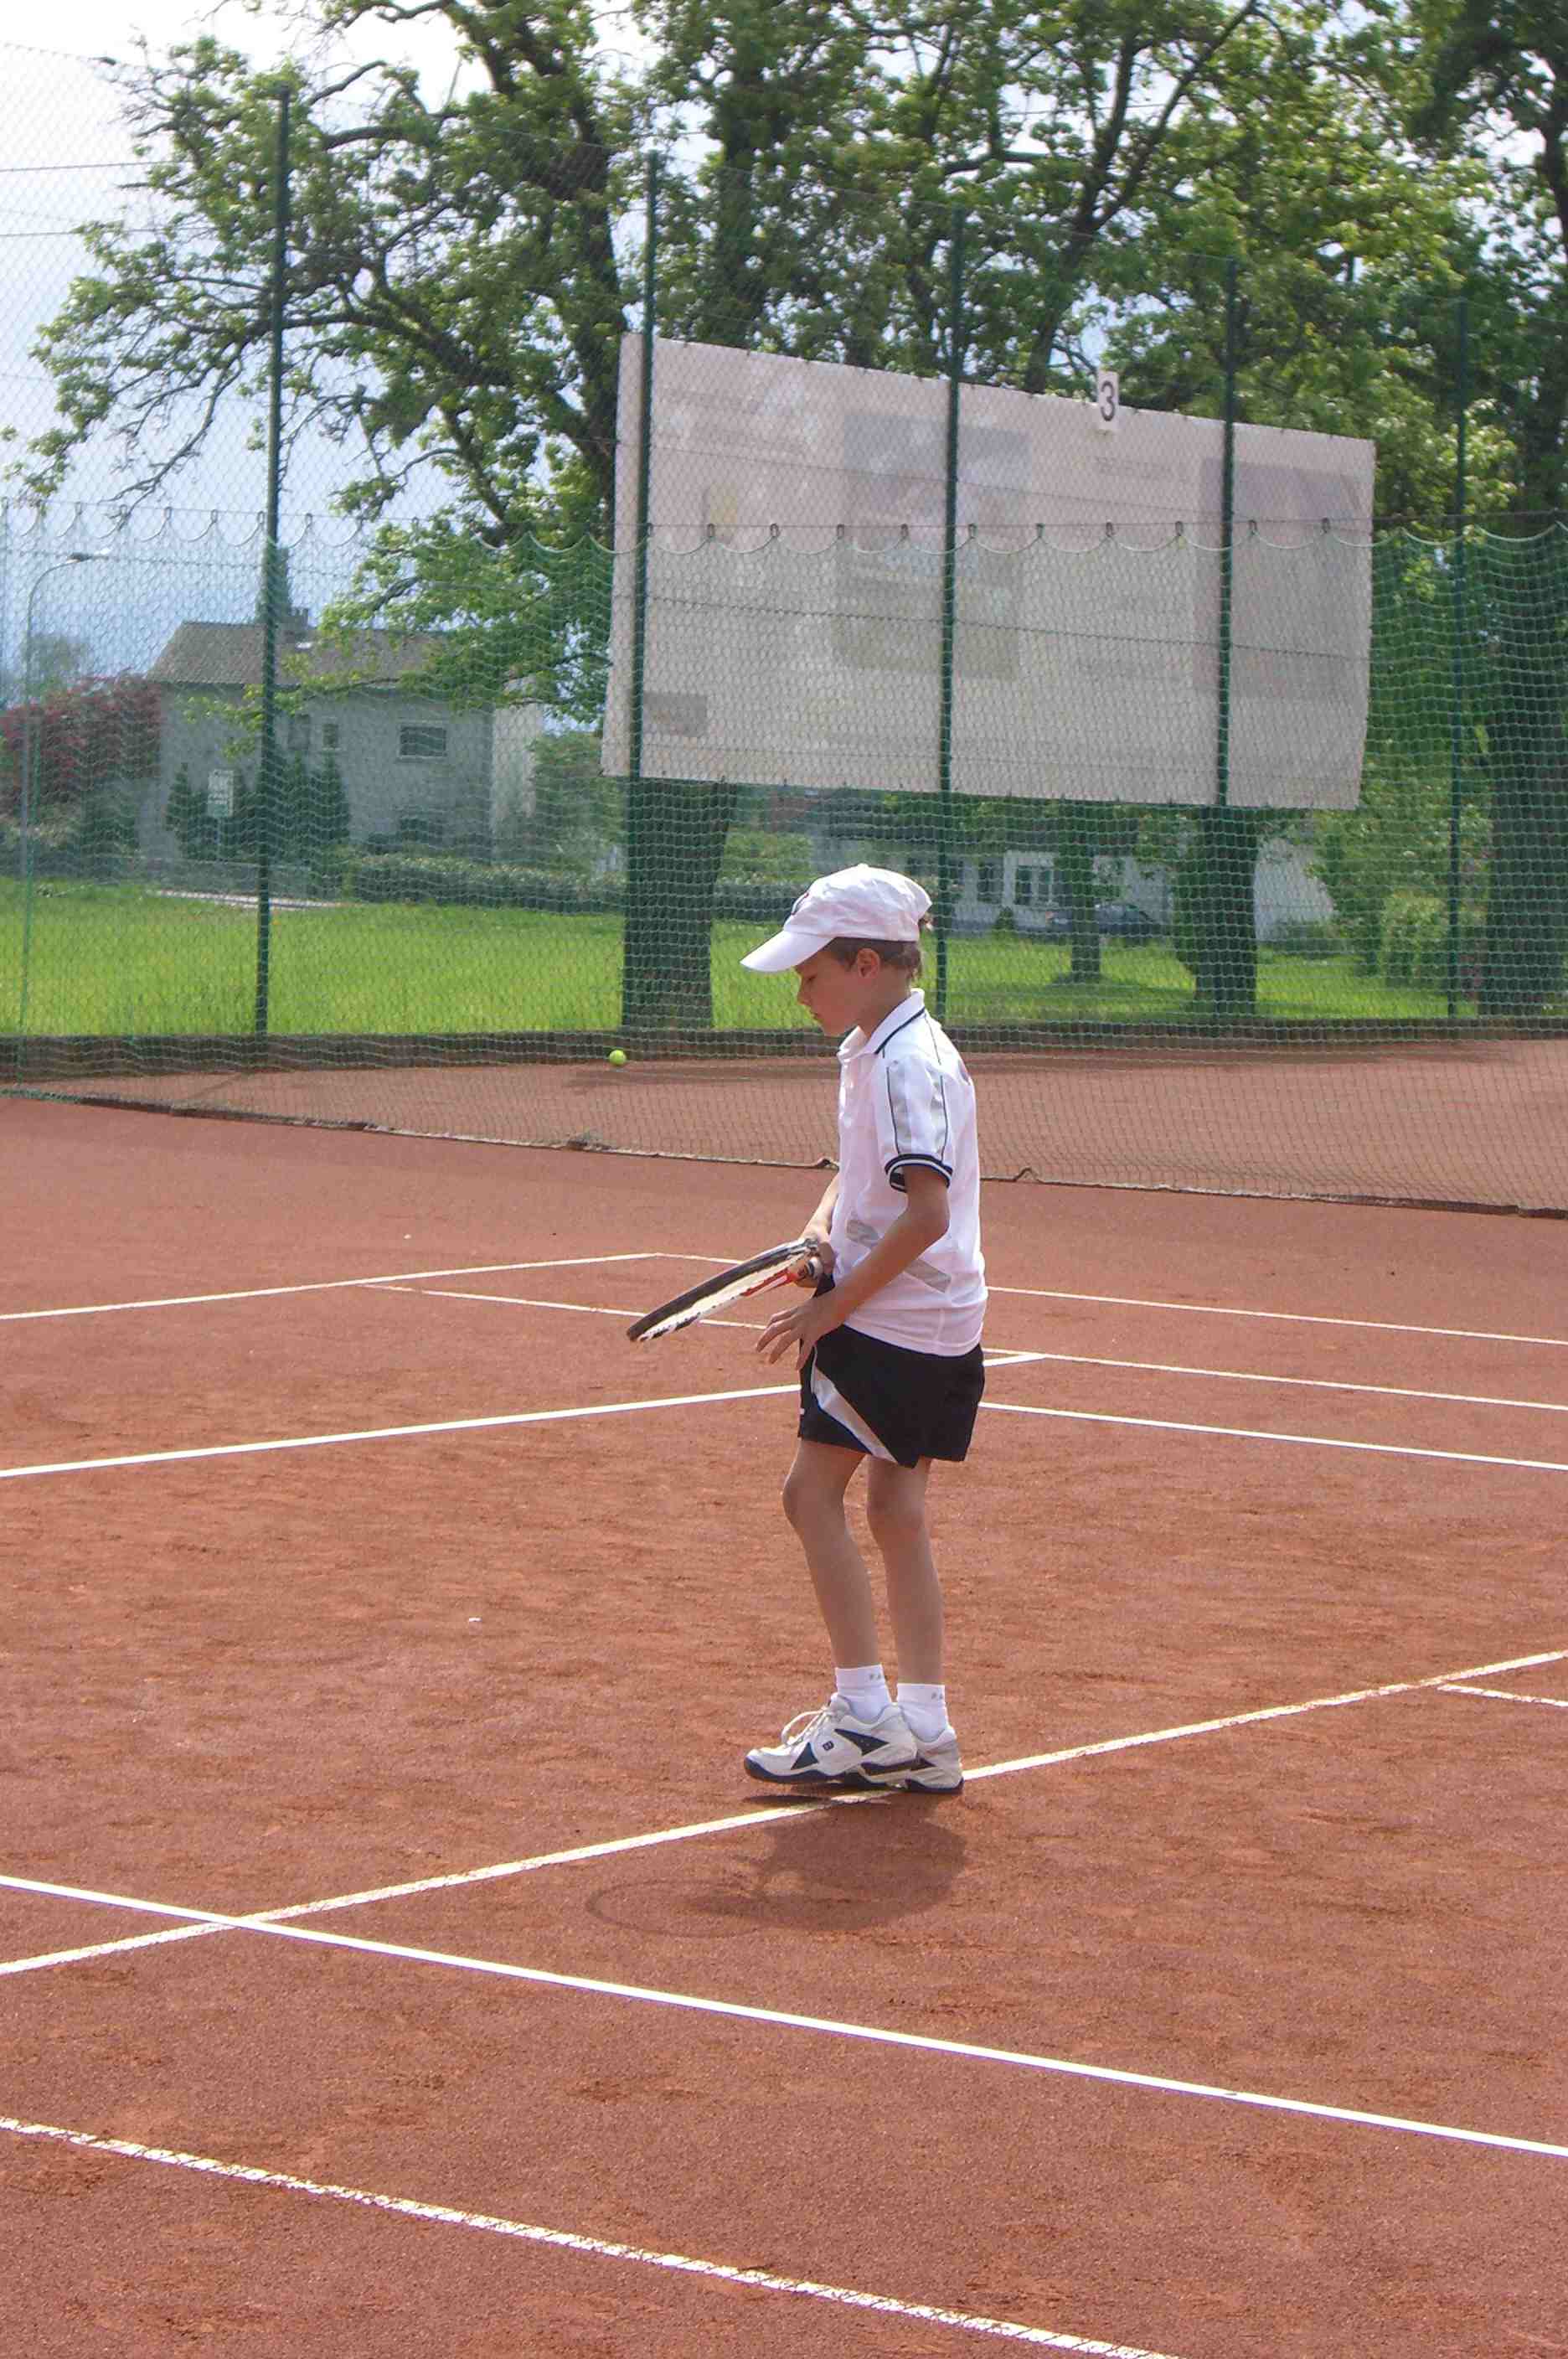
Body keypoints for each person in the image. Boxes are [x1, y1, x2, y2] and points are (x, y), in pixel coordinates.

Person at [739, 864, 986, 1796]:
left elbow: (925, 1212)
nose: (800, 992)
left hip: (895, 1322)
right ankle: (923, 1725)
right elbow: (864, 1176)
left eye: (812, 974)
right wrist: (819, 1236)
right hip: (930, 1318)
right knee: (895, 1512)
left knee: (810, 1497)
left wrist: (829, 1308)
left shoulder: (904, 1064)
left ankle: (863, 1715)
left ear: (868, 964)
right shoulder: (883, 1046)